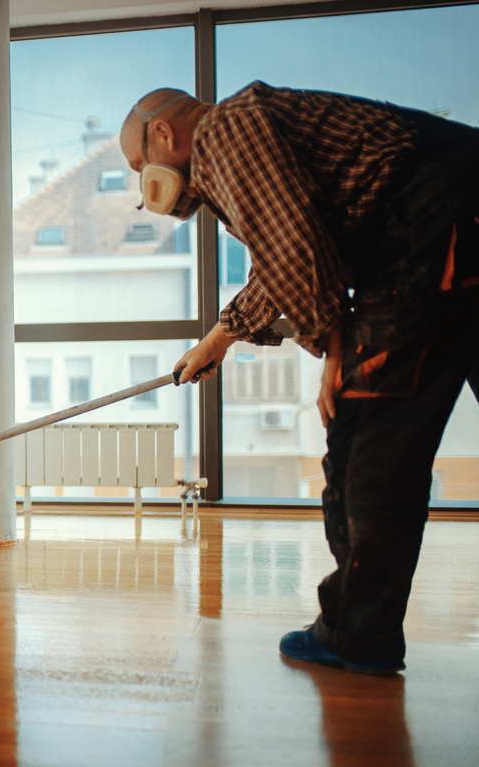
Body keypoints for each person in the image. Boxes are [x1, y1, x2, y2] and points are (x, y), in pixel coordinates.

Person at [120, 82, 479, 674]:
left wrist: (334, 352)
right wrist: (221, 336)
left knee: (364, 444)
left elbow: (297, 246)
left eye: (139, 165)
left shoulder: (221, 131)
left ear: (165, 133)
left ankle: (354, 633)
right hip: (462, 207)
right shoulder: (255, 128)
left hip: (430, 223)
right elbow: (291, 244)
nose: (144, 183)